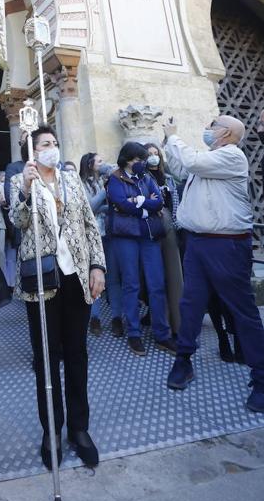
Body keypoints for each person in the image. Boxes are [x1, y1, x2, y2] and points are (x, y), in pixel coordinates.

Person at [10, 125, 106, 469]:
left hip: (76, 276)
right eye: (45, 144)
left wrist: (98, 266)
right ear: (32, 152)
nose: (52, 148)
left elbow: (89, 226)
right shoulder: (22, 182)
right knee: (46, 358)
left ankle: (80, 429)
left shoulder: (72, 180)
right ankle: (51, 430)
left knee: (77, 354)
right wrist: (25, 186)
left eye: (54, 142)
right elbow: (18, 222)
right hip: (42, 279)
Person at [163, 115, 264, 412]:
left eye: (212, 124)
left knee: (242, 311)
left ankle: (261, 377)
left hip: (227, 245)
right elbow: (182, 168)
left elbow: (190, 162)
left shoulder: (231, 156)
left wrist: (173, 136)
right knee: (191, 305)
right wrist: (167, 145)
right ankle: (184, 360)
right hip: (198, 243)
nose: (207, 128)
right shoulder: (210, 159)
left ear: (228, 133)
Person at [107, 142, 176, 357]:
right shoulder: (115, 178)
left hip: (149, 237)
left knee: (157, 284)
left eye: (143, 160)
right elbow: (120, 203)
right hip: (126, 237)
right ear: (127, 159)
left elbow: (159, 202)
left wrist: (138, 202)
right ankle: (134, 334)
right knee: (131, 285)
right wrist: (146, 204)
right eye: (138, 160)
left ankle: (162, 334)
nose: (142, 163)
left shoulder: (147, 178)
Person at [79, 152, 123, 337]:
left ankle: (117, 318)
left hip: (110, 233)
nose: (103, 164)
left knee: (113, 278)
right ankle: (94, 318)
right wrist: (106, 192)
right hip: (93, 236)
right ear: (89, 164)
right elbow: (89, 206)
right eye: (99, 161)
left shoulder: (105, 179)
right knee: (94, 277)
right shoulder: (81, 183)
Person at [145, 143, 184, 336]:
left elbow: (175, 203)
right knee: (156, 279)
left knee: (175, 277)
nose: (153, 157)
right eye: (149, 154)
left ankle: (179, 325)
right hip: (150, 229)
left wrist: (176, 225)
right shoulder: (142, 179)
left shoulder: (168, 178)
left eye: (156, 153)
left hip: (169, 228)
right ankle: (163, 326)